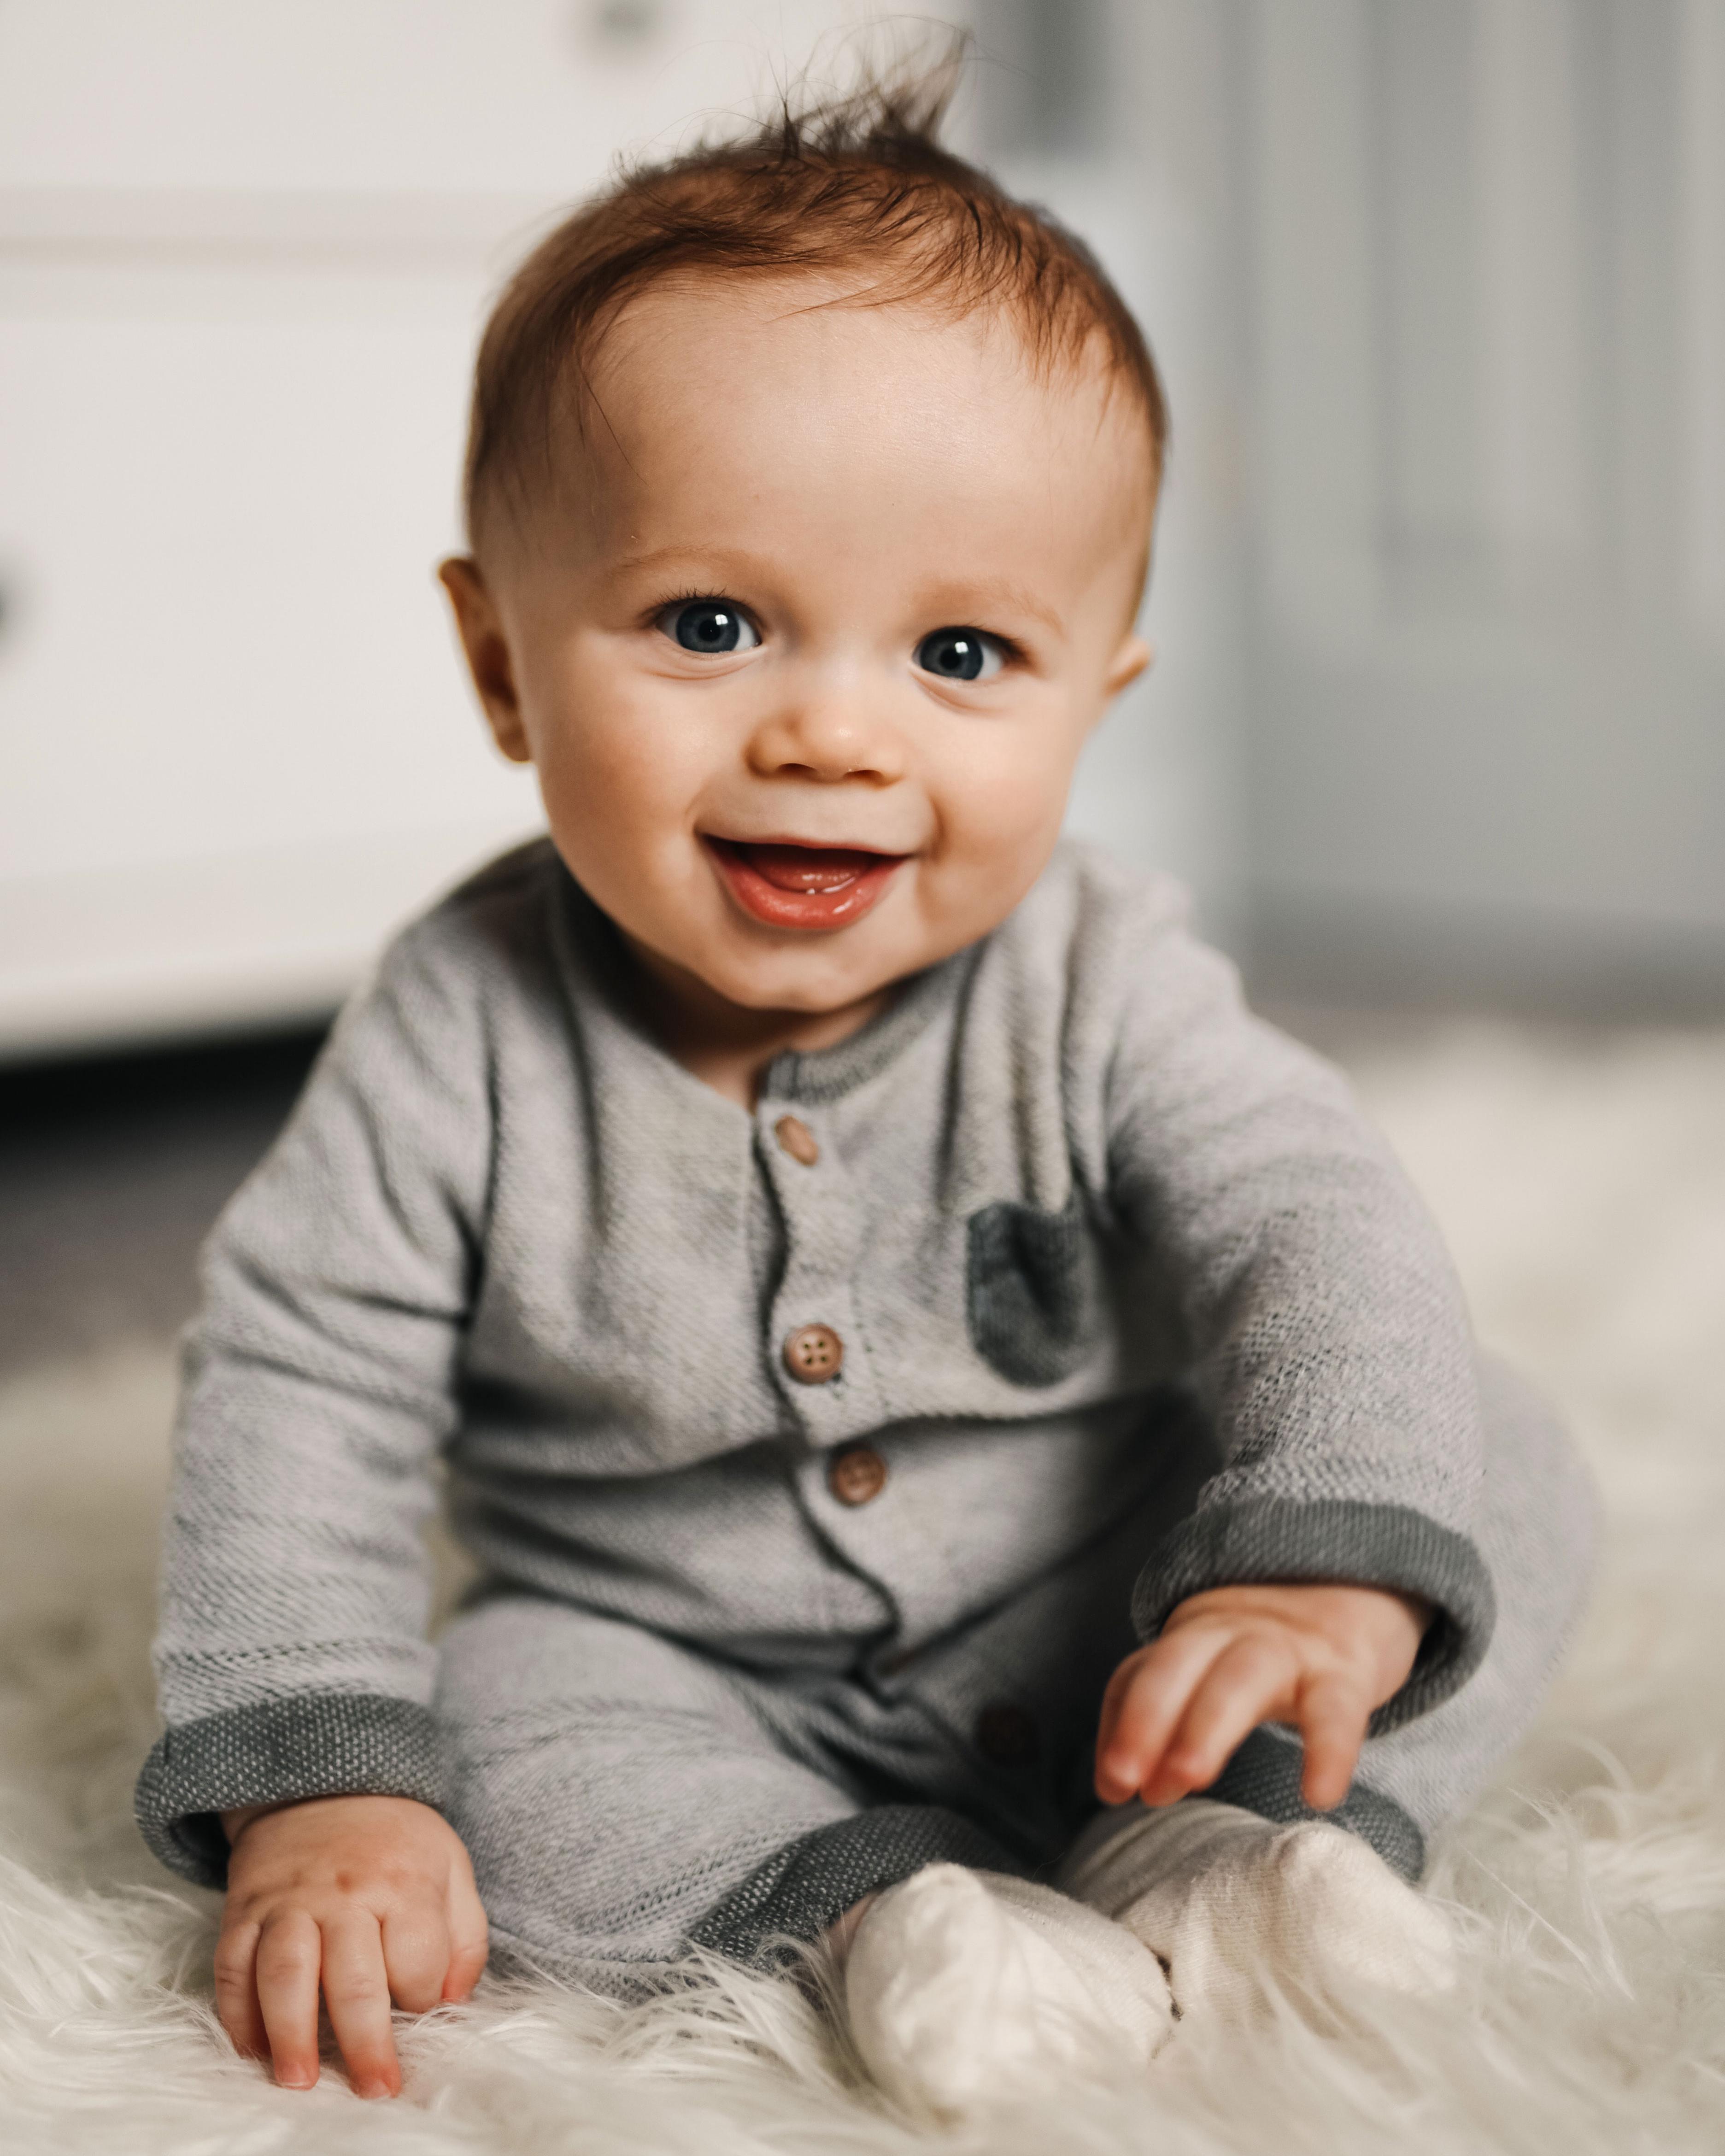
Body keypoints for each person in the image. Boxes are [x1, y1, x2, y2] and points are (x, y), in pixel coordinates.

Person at [134, 67, 1594, 2125]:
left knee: (1486, 1462)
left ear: (1100, 696)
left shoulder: (1098, 975)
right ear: (501, 666)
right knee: (489, 1715)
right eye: (712, 623)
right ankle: (871, 1916)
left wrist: (1300, 1564)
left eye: (966, 654)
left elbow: (1307, 1212)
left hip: (1117, 1616)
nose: (833, 728)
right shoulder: (457, 1026)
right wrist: (324, 1782)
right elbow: (303, 1380)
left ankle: (1259, 1850)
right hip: (671, 1657)